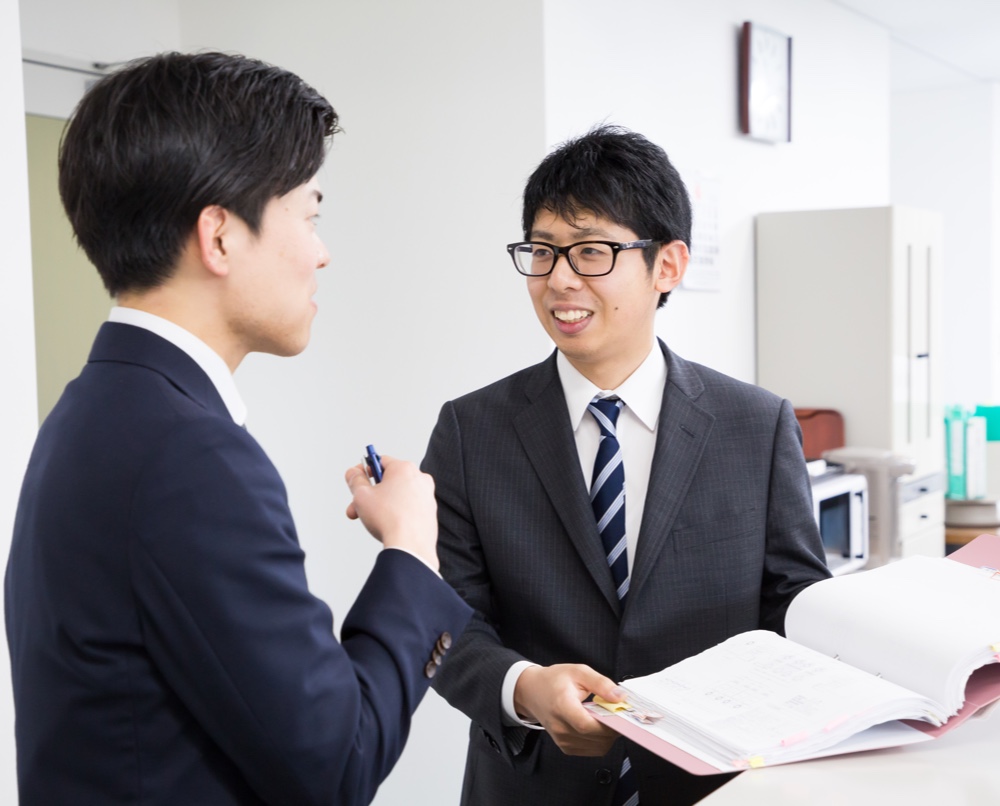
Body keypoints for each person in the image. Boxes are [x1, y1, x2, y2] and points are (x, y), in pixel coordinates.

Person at [5, 52, 471, 806]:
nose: (322, 251)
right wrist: (411, 550)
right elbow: (336, 763)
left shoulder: (90, 409)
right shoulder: (191, 454)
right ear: (219, 236)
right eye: (310, 214)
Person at [422, 125, 831, 806]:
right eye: (542, 251)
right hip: (532, 785)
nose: (558, 280)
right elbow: (443, 621)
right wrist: (523, 686)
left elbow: (795, 608)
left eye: (591, 252)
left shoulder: (755, 426)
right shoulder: (471, 429)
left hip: (715, 787)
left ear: (667, 266)